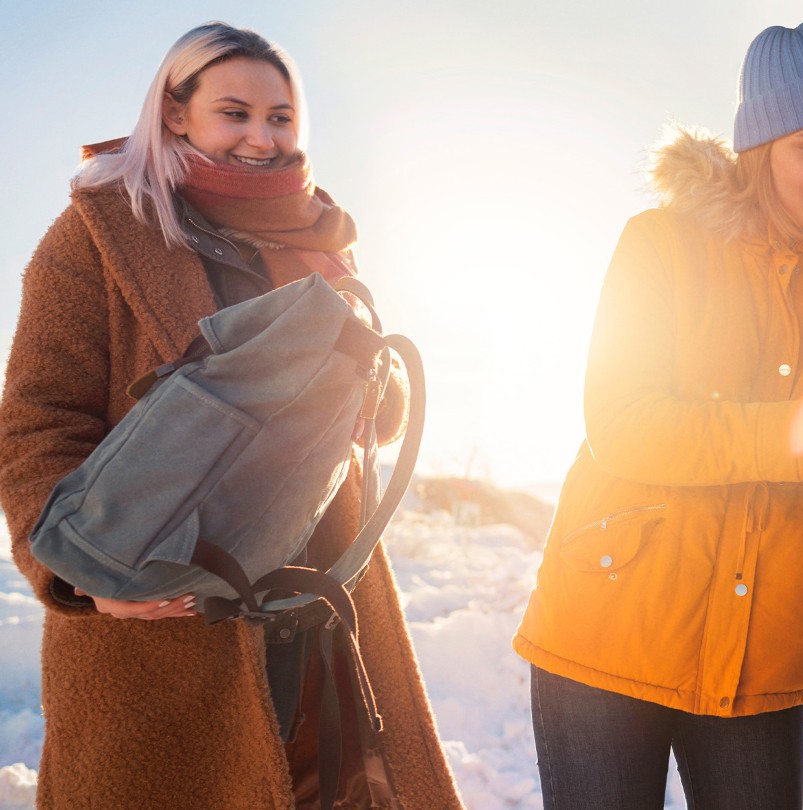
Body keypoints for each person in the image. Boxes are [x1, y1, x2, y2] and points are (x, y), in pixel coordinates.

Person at [0, 23, 463, 809]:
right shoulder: (98, 236)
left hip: (313, 608)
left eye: (280, 117)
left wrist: (373, 389)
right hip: (162, 620)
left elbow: (375, 419)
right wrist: (81, 581)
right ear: (176, 114)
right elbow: (35, 425)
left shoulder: (319, 241)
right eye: (235, 112)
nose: (262, 136)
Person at [512, 20, 803, 810]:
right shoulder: (661, 244)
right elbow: (625, 422)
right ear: (760, 150)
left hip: (764, 656)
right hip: (610, 632)